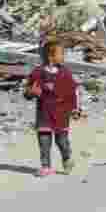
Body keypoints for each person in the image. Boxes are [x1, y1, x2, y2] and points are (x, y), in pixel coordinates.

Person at [25, 38, 80, 177]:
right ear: (50, 56)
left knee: (62, 141)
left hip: (61, 114)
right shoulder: (37, 73)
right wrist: (31, 93)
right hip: (44, 114)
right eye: (61, 54)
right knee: (44, 142)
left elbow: (73, 92)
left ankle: (67, 159)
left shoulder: (65, 73)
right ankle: (46, 166)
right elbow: (28, 91)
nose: (63, 57)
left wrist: (75, 109)